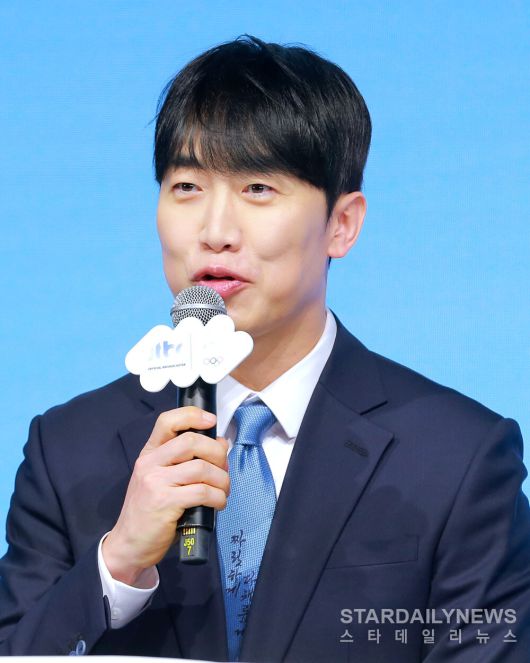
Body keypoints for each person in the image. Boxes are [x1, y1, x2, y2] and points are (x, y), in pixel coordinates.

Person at [1, 34, 529, 663]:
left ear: (342, 224)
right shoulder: (67, 450)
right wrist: (115, 566)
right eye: (187, 187)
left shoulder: (457, 457)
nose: (215, 232)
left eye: (257, 188)